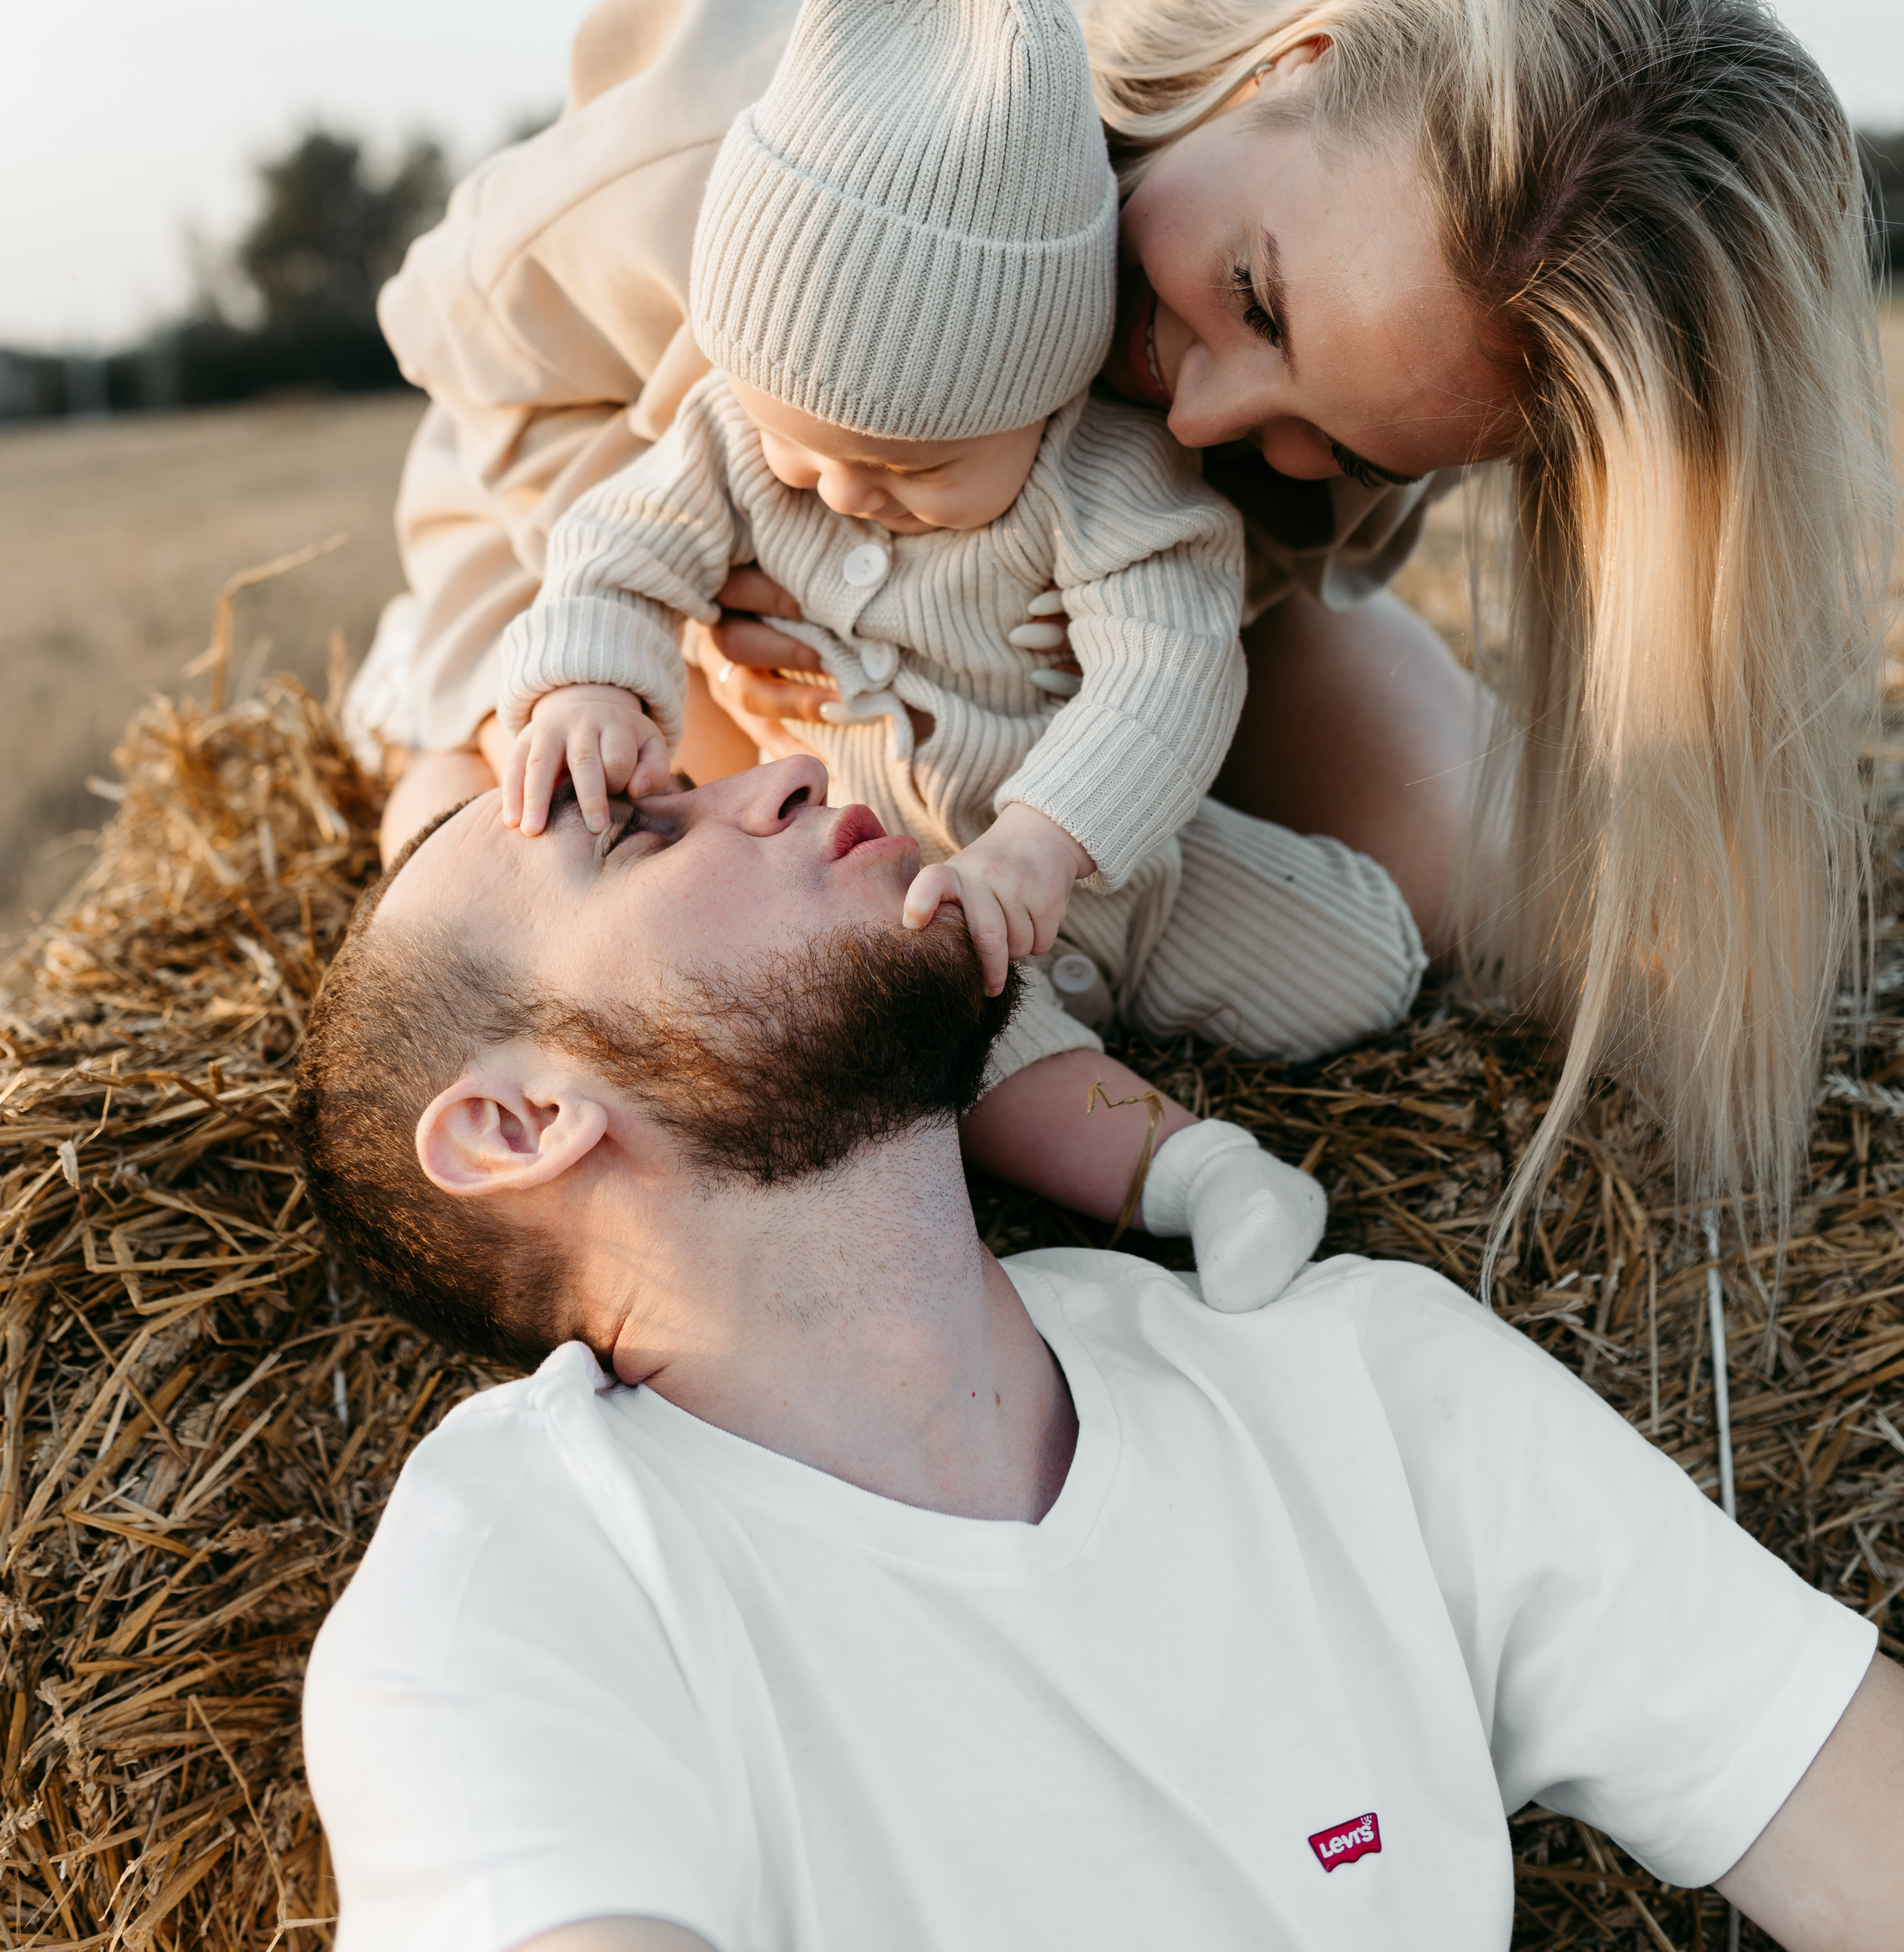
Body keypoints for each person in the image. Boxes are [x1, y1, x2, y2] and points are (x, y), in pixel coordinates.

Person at [358, 0, 1892, 1239]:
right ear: (1292, 62)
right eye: (1250, 300)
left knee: (1475, 886)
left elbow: (1227, 593)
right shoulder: (739, 140)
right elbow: (461, 339)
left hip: (1082, 622)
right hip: (646, 527)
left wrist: (1083, 740)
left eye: (1325, 435)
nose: (1212, 416)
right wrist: (674, 612)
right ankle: (433, 749)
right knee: (681, 930)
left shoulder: (1429, 310)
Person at [295, 755, 1904, 1952]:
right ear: (513, 1125)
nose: (782, 766)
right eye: (639, 834)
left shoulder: (1356, 1380)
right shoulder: (515, 1594)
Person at [498, 0, 1424, 1297]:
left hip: (1114, 868)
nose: (838, 488)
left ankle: (1282, 984)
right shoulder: (736, 438)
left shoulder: (1109, 475)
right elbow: (618, 548)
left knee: (1365, 968)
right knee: (975, 1055)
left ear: (1045, 386)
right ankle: (1203, 1177)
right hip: (928, 895)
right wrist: (592, 681)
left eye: (912, 468)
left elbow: (1166, 675)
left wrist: (1047, 848)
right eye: (799, 441)